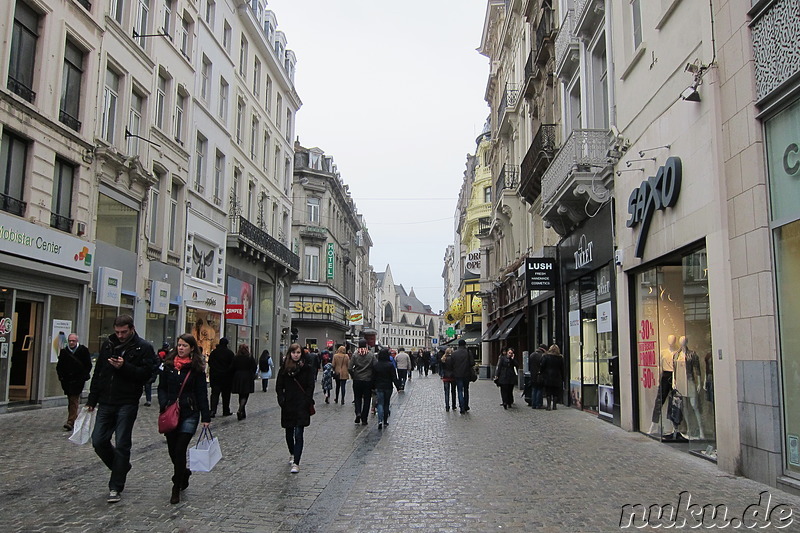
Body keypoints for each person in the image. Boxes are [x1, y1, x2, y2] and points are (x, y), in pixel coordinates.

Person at [85, 315, 156, 504]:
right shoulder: (108, 344)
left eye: (124, 332)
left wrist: (125, 367)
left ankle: (115, 486)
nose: (121, 335)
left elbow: (147, 375)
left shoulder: (143, 347)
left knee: (123, 443)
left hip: (127, 401)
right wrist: (92, 398)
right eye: (117, 332)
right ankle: (121, 467)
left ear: (132, 328)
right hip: (106, 400)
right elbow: (99, 372)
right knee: (99, 440)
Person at [157, 334, 210, 504]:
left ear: (191, 348)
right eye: (179, 345)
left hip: (190, 412)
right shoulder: (169, 366)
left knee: (180, 449)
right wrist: (164, 403)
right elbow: (162, 388)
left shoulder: (196, 368)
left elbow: (202, 393)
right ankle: (184, 473)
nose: (180, 348)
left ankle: (176, 486)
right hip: (171, 412)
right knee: (173, 450)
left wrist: (206, 416)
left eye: (184, 345)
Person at [276, 343, 315, 473]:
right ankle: (292, 453)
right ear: (290, 353)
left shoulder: (307, 368)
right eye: (293, 353)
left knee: (299, 433)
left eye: (298, 353)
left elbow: (310, 385)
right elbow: (279, 386)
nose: (296, 355)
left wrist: (307, 400)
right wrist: (281, 399)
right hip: (288, 404)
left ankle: (296, 462)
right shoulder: (284, 368)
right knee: (288, 433)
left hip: (301, 405)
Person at [56, 333, 92, 431]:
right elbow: (60, 366)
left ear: (77, 341)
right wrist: (61, 377)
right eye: (70, 341)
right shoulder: (64, 352)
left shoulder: (83, 350)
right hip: (67, 381)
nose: (71, 342)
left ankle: (71, 421)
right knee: (71, 399)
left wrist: (83, 376)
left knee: (73, 399)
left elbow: (88, 365)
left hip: (78, 380)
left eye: (73, 341)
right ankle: (73, 419)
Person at [372, 347, 402, 430]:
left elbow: (373, 377)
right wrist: (398, 386)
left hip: (379, 386)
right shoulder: (390, 365)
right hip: (388, 387)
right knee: (386, 403)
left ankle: (379, 421)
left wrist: (372, 386)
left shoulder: (376, 365)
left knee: (380, 403)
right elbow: (394, 377)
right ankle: (385, 421)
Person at [349, 339, 375, 426]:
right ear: (366, 345)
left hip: (357, 379)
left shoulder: (355, 355)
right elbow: (375, 366)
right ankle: (364, 418)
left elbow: (349, 367)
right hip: (368, 379)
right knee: (367, 399)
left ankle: (358, 412)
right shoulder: (371, 355)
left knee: (357, 397)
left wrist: (353, 375)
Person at [208, 338, 234, 417]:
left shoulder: (214, 353)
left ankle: (213, 410)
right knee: (226, 395)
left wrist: (215, 370)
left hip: (215, 377)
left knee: (215, 394)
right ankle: (226, 410)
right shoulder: (230, 353)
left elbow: (210, 363)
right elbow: (232, 365)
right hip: (226, 377)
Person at [231, 344, 257, 420]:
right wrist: (252, 374)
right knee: (245, 395)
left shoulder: (236, 357)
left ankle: (242, 411)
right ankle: (240, 410)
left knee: (241, 394)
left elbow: (232, 367)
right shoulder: (249, 357)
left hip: (238, 376)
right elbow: (254, 367)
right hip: (247, 376)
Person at [540, 344, 565, 411]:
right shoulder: (560, 358)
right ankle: (554, 405)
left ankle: (548, 406)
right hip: (557, 377)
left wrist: (542, 373)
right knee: (555, 392)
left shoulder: (546, 356)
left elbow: (542, 366)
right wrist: (563, 378)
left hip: (548, 376)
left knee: (548, 392)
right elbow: (562, 369)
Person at [450, 339, 472, 414]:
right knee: (466, 390)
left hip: (457, 374)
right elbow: (472, 363)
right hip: (466, 374)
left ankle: (461, 407)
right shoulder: (468, 352)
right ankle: (466, 406)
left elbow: (451, 364)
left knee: (459, 390)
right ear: (465, 344)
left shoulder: (454, 353)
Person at [529, 344, 547, 409]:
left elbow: (530, 366)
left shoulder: (532, 355)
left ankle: (533, 404)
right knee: (539, 389)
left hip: (533, 375)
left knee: (534, 389)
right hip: (540, 375)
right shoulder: (542, 356)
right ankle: (538, 404)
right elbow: (543, 366)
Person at [439, 347, 456, 412]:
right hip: (453, 376)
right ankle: (453, 405)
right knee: (453, 391)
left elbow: (441, 368)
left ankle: (447, 406)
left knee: (446, 392)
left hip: (446, 377)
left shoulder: (443, 359)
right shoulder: (453, 359)